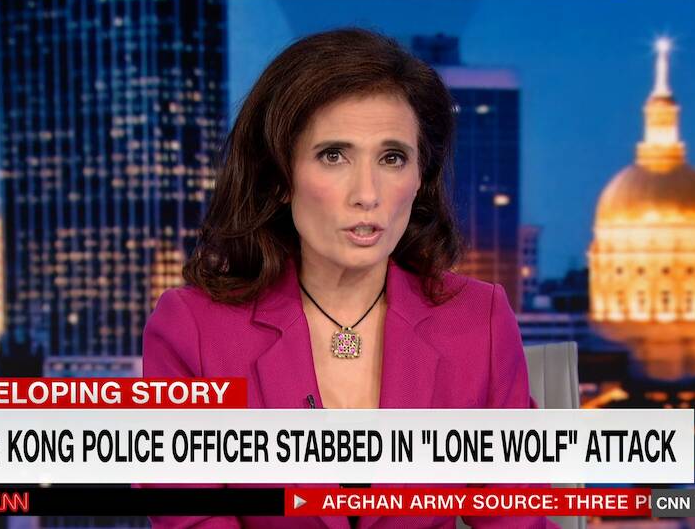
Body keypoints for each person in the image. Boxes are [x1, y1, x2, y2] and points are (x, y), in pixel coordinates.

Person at [142, 27, 553, 529]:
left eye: (392, 158)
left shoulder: (478, 320)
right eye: (333, 155)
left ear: (419, 178)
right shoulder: (193, 330)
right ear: (280, 178)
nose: (367, 194)